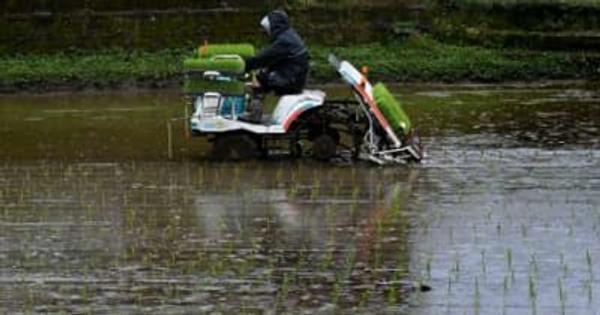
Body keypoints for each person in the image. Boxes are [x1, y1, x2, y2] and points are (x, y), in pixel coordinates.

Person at [244, 9, 310, 97]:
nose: (267, 31)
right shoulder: (288, 35)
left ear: (274, 26)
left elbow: (264, 58)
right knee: (264, 73)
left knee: (260, 78)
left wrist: (245, 64)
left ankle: (255, 107)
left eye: (267, 28)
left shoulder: (284, 41)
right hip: (295, 77)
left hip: (290, 80)